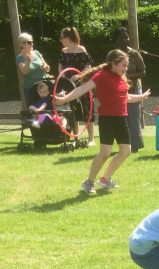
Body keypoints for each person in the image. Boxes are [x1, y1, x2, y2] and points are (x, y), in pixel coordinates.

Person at [54, 49, 150, 195]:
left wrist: (141, 97)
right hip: (108, 119)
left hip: (121, 119)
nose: (125, 69)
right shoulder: (102, 76)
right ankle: (89, 182)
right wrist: (63, 99)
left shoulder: (121, 78)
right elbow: (82, 89)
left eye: (126, 66)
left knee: (126, 151)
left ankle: (105, 179)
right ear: (114, 63)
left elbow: (125, 97)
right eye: (123, 65)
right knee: (105, 153)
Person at [58, 27, 95, 146]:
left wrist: (79, 76)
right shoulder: (63, 51)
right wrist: (63, 76)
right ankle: (76, 137)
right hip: (68, 84)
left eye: (62, 37)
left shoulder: (81, 49)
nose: (61, 40)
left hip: (82, 83)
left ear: (68, 38)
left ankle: (91, 139)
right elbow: (60, 67)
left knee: (87, 108)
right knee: (72, 109)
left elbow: (88, 66)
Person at [114, 27, 147, 152]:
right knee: (121, 120)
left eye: (126, 37)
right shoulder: (114, 55)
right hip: (118, 91)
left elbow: (143, 72)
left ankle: (135, 146)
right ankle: (124, 146)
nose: (125, 40)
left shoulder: (134, 54)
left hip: (134, 89)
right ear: (116, 40)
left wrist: (128, 76)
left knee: (134, 118)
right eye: (122, 37)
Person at [15, 32, 50, 107]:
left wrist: (45, 67)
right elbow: (25, 72)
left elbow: (48, 68)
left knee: (48, 108)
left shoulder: (37, 53)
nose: (32, 44)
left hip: (44, 86)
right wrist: (28, 61)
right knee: (34, 110)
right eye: (29, 42)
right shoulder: (19, 58)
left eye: (32, 42)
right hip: (32, 89)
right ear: (22, 44)